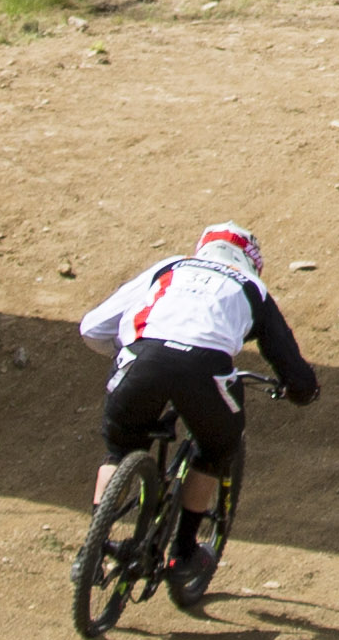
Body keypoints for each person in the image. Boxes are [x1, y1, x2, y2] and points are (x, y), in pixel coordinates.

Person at [72, 223, 316, 611]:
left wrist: (133, 348)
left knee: (119, 449)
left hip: (141, 359)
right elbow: (292, 368)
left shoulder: (171, 266)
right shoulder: (252, 288)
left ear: (203, 249)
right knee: (218, 447)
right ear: (253, 263)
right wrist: (302, 391)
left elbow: (91, 328)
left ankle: (92, 547)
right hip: (204, 370)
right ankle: (184, 549)